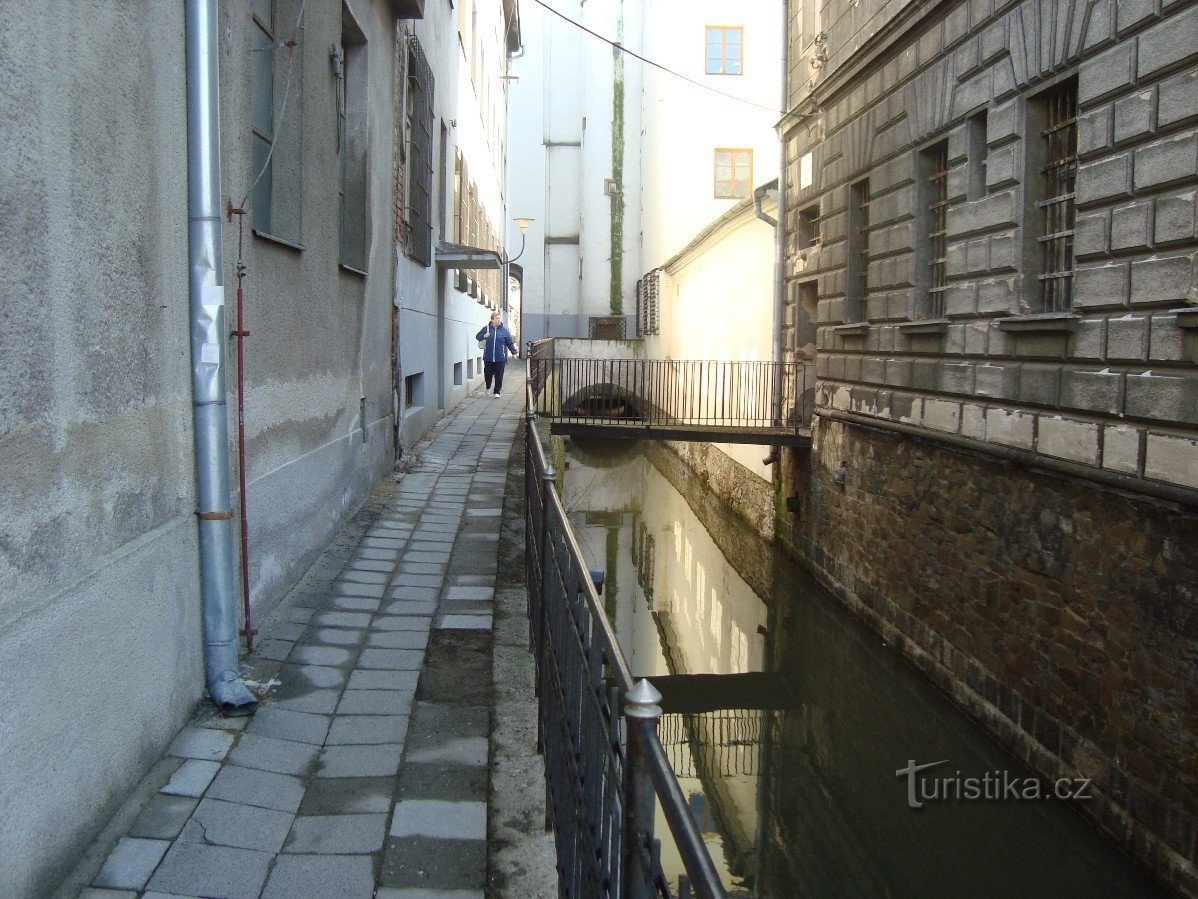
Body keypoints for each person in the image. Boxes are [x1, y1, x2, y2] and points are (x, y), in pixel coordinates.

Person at [476, 312, 518, 397]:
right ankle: (488, 387)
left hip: (500, 358)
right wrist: (484, 335)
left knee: (499, 375)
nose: (499, 320)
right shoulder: (486, 328)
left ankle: (497, 392)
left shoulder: (504, 330)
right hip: (488, 357)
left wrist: (514, 353)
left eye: (499, 318)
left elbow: (509, 342)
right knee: (488, 374)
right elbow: (477, 336)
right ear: (492, 319)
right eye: (497, 318)